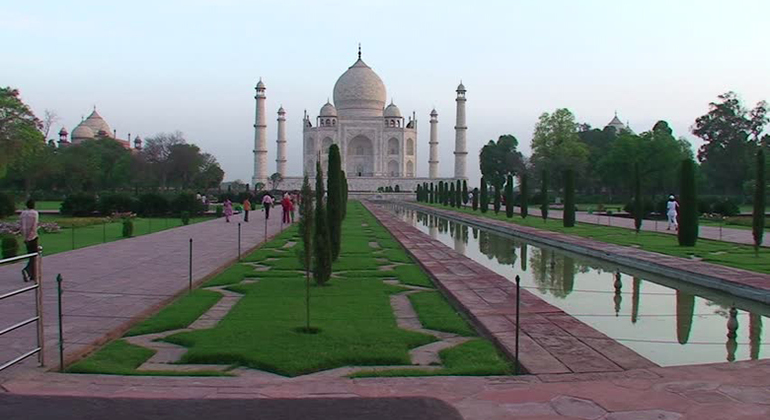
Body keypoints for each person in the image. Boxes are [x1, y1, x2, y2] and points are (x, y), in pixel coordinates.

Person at [19, 199, 39, 282]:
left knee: (30, 255)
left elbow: (21, 225)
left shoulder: (23, 213)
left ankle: (32, 275)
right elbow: (34, 226)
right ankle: (27, 270)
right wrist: (31, 237)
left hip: (26, 236)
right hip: (33, 237)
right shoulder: (34, 213)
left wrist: (25, 237)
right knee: (34, 256)